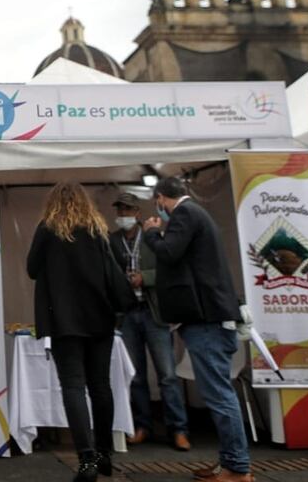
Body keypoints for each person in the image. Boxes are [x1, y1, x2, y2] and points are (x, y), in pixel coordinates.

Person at [143, 177, 251, 482]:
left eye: (158, 205)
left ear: (161, 198)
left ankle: (237, 468)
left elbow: (168, 252)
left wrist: (152, 232)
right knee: (218, 394)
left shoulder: (186, 214)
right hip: (208, 319)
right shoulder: (195, 216)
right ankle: (229, 462)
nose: (159, 211)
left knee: (219, 395)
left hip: (207, 322)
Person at [28, 183, 126, 482]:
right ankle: (104, 453)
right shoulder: (98, 229)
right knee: (100, 386)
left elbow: (32, 268)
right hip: (100, 318)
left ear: (53, 203)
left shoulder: (47, 229)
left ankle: (86, 461)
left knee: (73, 387)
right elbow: (116, 268)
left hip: (64, 320)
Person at [109, 192, 190, 451]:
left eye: (128, 211)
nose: (123, 215)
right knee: (136, 376)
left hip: (154, 312)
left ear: (137, 212)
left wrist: (146, 277)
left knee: (167, 375)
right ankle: (142, 426)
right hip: (127, 314)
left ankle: (178, 429)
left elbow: (171, 267)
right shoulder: (112, 240)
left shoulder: (153, 236)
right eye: (120, 211)